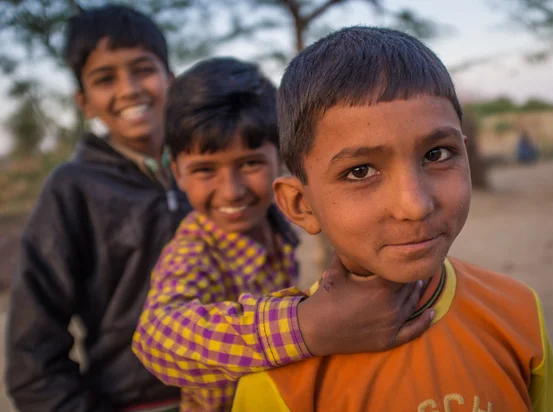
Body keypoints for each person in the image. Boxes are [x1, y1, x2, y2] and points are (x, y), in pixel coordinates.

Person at [231, 27, 553, 412]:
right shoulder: (280, 376)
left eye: (436, 155)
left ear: (465, 154)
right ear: (300, 205)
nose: (414, 205)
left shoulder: (518, 311)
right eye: (360, 171)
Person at [133, 57, 433, 411]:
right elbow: (156, 337)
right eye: (204, 170)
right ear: (176, 171)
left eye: (250, 163)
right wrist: (307, 327)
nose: (231, 191)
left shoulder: (280, 219)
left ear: (280, 158)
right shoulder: (193, 252)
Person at [5, 5, 190, 411]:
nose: (128, 89)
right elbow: (31, 360)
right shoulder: (72, 189)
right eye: (105, 79)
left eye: (142, 69)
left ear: (170, 80)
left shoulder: (212, 172)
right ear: (84, 101)